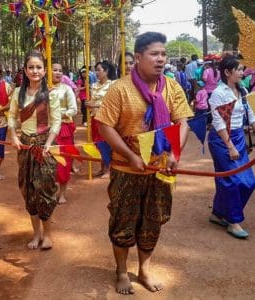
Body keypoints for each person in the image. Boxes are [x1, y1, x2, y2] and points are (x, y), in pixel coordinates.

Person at [95, 32, 193, 294]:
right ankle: (121, 271)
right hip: (126, 169)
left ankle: (144, 270)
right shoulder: (120, 89)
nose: (161, 59)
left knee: (153, 221)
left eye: (163, 54)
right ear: (138, 58)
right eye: (154, 54)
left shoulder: (172, 87)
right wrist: (130, 155)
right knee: (123, 221)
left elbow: (183, 122)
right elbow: (105, 127)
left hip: (160, 169)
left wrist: (175, 153)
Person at [8, 50, 61, 250]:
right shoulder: (17, 94)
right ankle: (36, 234)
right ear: (25, 70)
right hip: (24, 145)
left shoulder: (50, 94)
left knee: (45, 189)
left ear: (44, 70)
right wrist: (13, 135)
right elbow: (11, 116)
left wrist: (48, 142)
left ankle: (48, 235)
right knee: (28, 189)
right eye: (31, 67)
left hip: (44, 146)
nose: (35, 71)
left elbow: (56, 122)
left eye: (39, 67)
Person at [207, 55, 255, 239]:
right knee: (231, 180)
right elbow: (218, 122)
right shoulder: (219, 93)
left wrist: (252, 123)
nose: (243, 73)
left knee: (248, 181)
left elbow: (250, 113)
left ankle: (218, 213)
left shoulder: (242, 89)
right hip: (222, 140)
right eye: (240, 70)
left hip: (239, 138)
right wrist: (230, 146)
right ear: (228, 72)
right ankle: (233, 222)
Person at [51, 63, 77, 204]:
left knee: (63, 162)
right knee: (48, 162)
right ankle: (51, 190)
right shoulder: (43, 89)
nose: (58, 73)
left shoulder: (67, 89)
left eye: (60, 71)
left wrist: (57, 115)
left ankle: (62, 193)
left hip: (63, 129)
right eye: (55, 70)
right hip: (46, 130)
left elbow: (73, 109)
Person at [86, 61, 116, 178]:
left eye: (99, 70)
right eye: (96, 70)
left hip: (106, 119)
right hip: (95, 118)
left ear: (106, 71)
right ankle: (102, 167)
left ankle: (109, 168)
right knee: (97, 143)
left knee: (106, 142)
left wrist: (96, 105)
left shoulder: (112, 84)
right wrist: (88, 103)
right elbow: (92, 101)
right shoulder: (94, 85)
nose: (96, 72)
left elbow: (112, 103)